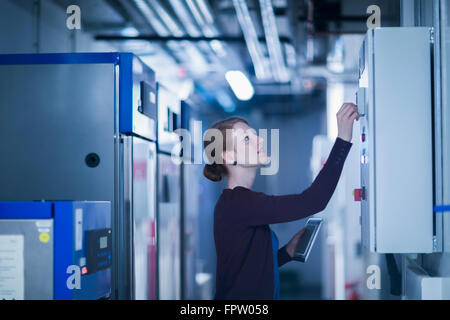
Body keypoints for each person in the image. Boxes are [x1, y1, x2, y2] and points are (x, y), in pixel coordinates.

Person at [203, 103, 359, 300]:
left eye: (254, 134)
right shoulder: (239, 203)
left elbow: (248, 269)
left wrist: (287, 252)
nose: (259, 139)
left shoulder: (236, 202)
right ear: (229, 156)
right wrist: (343, 140)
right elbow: (313, 201)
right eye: (246, 139)